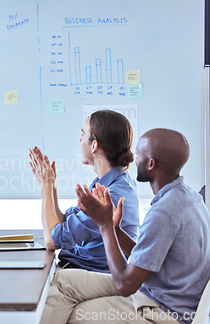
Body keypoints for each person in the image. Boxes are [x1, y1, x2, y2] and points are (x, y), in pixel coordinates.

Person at [44, 128, 210, 324]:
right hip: (156, 290)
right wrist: (115, 229)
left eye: (138, 154)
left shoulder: (164, 212)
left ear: (151, 164)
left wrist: (104, 225)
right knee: (63, 283)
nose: (132, 160)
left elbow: (125, 284)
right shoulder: (189, 197)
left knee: (77, 314)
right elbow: (146, 255)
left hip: (162, 309)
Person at [29, 110, 139, 272]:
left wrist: (46, 186)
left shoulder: (113, 193)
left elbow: (52, 241)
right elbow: (63, 223)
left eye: (83, 134)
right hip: (79, 267)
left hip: (89, 273)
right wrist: (51, 186)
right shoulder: (109, 183)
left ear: (94, 145)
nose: (80, 140)